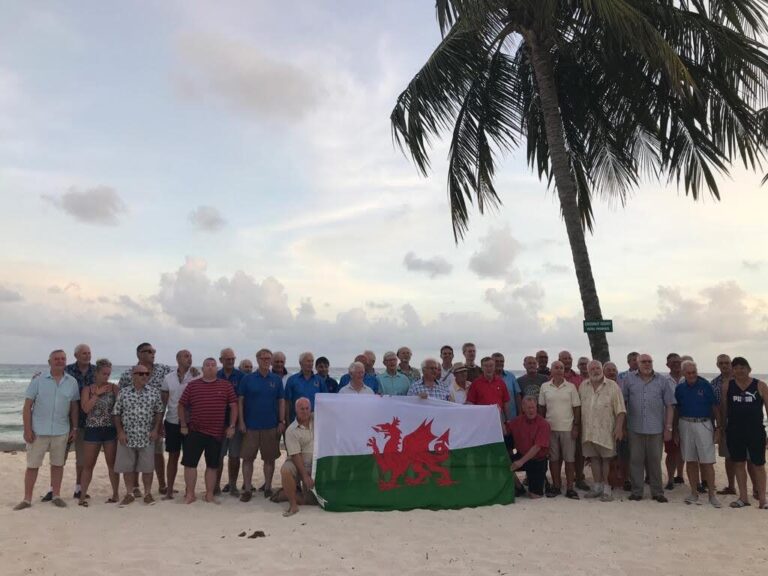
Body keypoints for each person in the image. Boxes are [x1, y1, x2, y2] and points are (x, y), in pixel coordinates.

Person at [14, 350, 79, 510]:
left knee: (58, 465)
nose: (60, 361)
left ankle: (56, 495)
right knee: (33, 465)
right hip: (38, 431)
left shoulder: (72, 382)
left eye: (63, 359)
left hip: (61, 431)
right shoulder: (38, 380)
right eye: (56, 359)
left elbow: (74, 407)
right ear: (49, 362)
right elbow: (27, 406)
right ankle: (27, 499)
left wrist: (75, 428)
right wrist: (27, 429)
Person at [178, 358, 238, 504]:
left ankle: (209, 494)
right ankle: (190, 494)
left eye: (213, 365)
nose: (210, 367)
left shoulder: (226, 385)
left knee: (212, 466)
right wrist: (183, 425)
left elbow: (234, 405)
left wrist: (231, 426)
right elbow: (181, 405)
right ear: (202, 368)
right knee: (190, 464)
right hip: (194, 431)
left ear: (216, 368)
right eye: (207, 365)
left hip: (216, 433)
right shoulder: (193, 385)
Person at [118, 343, 172, 496]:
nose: (152, 353)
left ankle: (162, 485)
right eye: (148, 351)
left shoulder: (163, 369)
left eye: (153, 351)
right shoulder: (128, 374)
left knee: (157, 453)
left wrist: (194, 371)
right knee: (134, 455)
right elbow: (120, 399)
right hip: (133, 424)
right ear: (139, 354)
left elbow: (179, 376)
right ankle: (135, 487)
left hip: (155, 421)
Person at [623, 354, 675, 502]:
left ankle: (657, 492)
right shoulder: (629, 379)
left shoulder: (662, 380)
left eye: (649, 361)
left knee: (655, 461)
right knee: (635, 461)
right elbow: (623, 403)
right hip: (635, 428)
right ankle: (637, 491)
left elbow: (670, 405)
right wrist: (623, 426)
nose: (647, 364)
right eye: (643, 362)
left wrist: (668, 428)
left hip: (656, 429)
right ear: (637, 364)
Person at [238, 349, 286, 501]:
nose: (266, 361)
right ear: (257, 360)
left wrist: (281, 421)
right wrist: (241, 421)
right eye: (263, 358)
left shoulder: (276, 380)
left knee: (269, 459)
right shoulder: (247, 379)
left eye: (268, 358)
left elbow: (281, 401)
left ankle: (267, 488)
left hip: (270, 426)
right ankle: (247, 489)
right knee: (247, 459)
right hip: (250, 426)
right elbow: (240, 401)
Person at [113, 364, 165, 506]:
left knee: (148, 467)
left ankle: (148, 494)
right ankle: (129, 493)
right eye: (141, 374)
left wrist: (155, 430)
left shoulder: (154, 392)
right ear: (133, 375)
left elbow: (159, 411)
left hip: (147, 436)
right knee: (127, 466)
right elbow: (116, 413)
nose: (144, 376)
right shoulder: (124, 392)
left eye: (147, 374)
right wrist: (120, 432)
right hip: (127, 436)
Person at [723, 357, 768, 509]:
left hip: (755, 431)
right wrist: (721, 429)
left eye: (743, 367)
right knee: (738, 463)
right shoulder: (727, 386)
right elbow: (724, 410)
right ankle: (743, 498)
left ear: (749, 369)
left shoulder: (760, 385)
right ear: (732, 370)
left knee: (759, 465)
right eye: (736, 367)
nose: (739, 370)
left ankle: (763, 499)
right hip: (735, 431)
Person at [674, 361, 721, 507]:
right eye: (688, 373)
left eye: (694, 372)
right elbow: (677, 409)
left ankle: (712, 495)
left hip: (703, 423)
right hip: (685, 424)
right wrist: (675, 429)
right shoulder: (680, 388)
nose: (692, 375)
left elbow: (715, 407)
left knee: (707, 461)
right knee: (690, 459)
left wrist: (719, 427)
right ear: (683, 373)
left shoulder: (705, 385)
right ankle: (693, 492)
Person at [579, 361, 626, 502]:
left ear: (602, 369)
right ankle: (597, 487)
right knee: (593, 459)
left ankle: (607, 489)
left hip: (606, 431)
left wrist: (619, 428)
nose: (595, 371)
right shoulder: (583, 386)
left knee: (606, 460)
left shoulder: (613, 386)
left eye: (597, 368)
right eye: (592, 368)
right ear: (588, 371)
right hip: (588, 431)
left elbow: (621, 410)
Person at [78, 358, 120, 506]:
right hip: (92, 430)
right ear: (96, 373)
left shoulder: (114, 388)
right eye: (104, 373)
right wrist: (97, 394)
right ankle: (82, 496)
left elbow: (119, 409)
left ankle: (115, 494)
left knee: (112, 465)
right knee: (88, 465)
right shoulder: (87, 389)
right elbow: (85, 409)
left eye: (108, 374)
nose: (106, 377)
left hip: (110, 430)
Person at [538, 361, 581, 499]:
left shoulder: (571, 387)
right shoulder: (545, 387)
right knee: (554, 460)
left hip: (568, 429)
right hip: (550, 429)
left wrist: (576, 426)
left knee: (569, 460)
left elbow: (577, 408)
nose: (559, 370)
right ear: (551, 370)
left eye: (561, 368)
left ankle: (570, 488)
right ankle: (556, 486)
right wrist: (542, 428)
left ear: (564, 370)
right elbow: (541, 409)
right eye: (556, 367)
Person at [160, 349, 196, 500]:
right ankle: (169, 491)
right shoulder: (168, 378)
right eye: (186, 356)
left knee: (190, 458)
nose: (189, 359)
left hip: (191, 423)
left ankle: (189, 491)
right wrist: (160, 423)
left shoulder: (197, 376)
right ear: (178, 359)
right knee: (173, 456)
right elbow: (163, 403)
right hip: (172, 421)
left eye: (190, 356)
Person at [62, 343, 95, 501]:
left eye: (89, 353)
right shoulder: (66, 371)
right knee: (60, 457)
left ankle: (78, 488)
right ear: (76, 356)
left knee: (82, 459)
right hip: (65, 421)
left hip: (88, 422)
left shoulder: (96, 371)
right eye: (84, 353)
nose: (87, 355)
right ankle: (53, 490)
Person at [507, 396, 551, 499]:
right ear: (523, 408)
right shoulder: (517, 421)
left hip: (537, 460)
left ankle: (542, 480)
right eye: (528, 408)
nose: (531, 410)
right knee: (504, 463)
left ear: (536, 407)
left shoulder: (543, 424)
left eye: (533, 407)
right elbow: (505, 431)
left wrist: (520, 462)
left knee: (534, 496)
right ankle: (519, 487)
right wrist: (497, 415)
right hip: (521, 454)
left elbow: (537, 447)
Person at [279, 398, 315, 517]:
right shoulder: (291, 430)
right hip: (298, 462)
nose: (305, 411)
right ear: (296, 410)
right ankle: (293, 505)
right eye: (301, 409)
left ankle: (288, 494)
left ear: (311, 409)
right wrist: (304, 475)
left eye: (307, 408)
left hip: (316, 464)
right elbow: (295, 455)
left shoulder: (318, 419)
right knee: (285, 469)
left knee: (313, 501)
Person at [217, 348, 245, 496]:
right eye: (228, 359)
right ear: (221, 360)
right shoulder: (216, 375)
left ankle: (233, 485)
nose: (231, 361)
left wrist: (240, 423)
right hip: (218, 423)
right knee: (218, 456)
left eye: (233, 359)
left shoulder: (241, 376)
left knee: (234, 456)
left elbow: (242, 400)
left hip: (235, 422)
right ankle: (215, 485)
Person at [604, 361, 631, 490]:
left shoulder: (622, 386)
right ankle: (611, 480)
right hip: (605, 426)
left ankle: (626, 479)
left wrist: (623, 427)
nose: (611, 372)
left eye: (614, 370)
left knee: (624, 454)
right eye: (608, 370)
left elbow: (625, 407)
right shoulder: (601, 387)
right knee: (610, 456)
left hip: (623, 425)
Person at [664, 352, 685, 489]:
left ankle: (681, 476)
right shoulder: (663, 381)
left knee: (684, 451)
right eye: (673, 362)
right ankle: (670, 479)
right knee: (671, 451)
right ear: (667, 365)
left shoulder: (688, 378)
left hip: (687, 419)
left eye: (678, 362)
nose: (676, 364)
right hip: (670, 419)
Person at [285, 352, 327, 418]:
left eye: (312, 361)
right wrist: (287, 421)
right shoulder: (292, 380)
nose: (310, 364)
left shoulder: (319, 380)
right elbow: (287, 402)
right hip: (296, 421)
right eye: (308, 361)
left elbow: (325, 401)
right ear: (300, 363)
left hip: (315, 420)